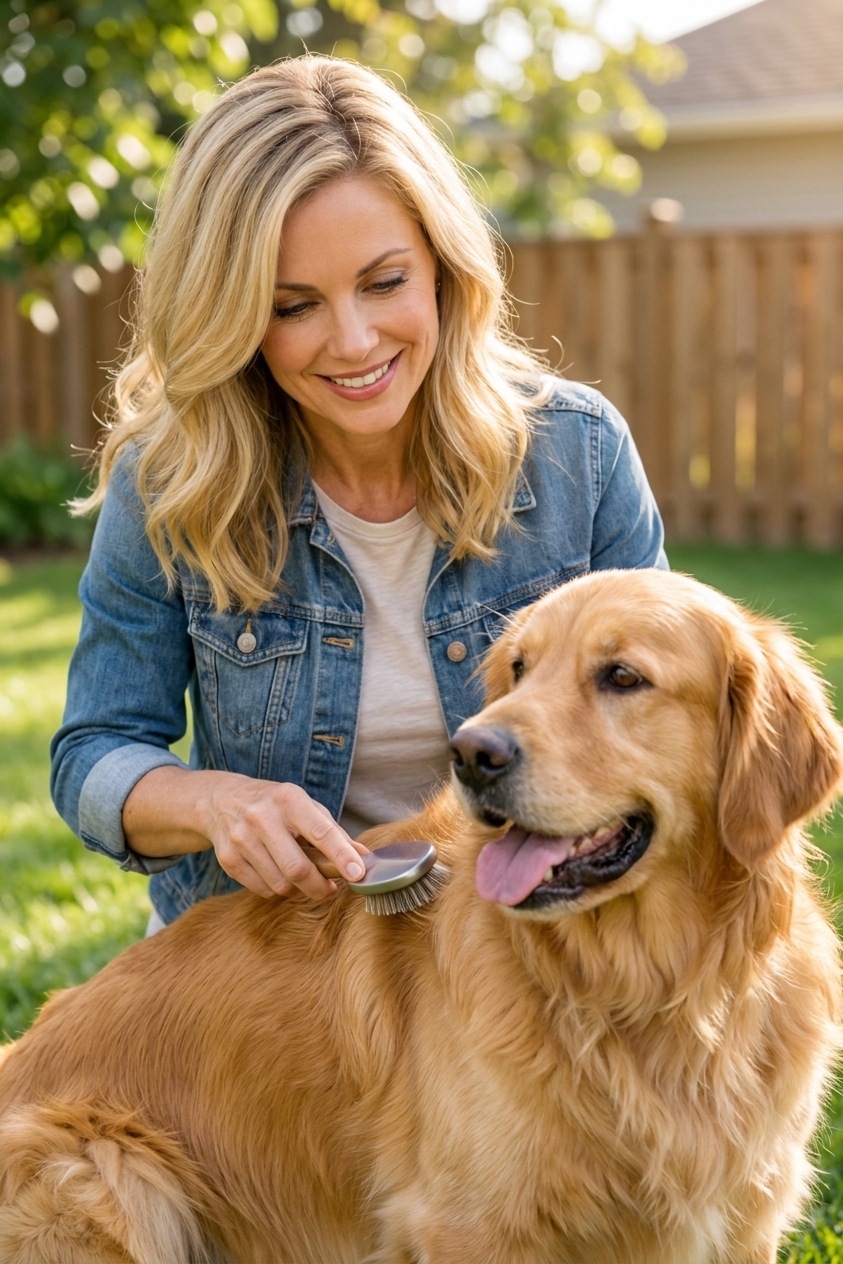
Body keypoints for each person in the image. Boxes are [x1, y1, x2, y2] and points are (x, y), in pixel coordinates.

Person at [51, 55, 667, 931]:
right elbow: (91, 755)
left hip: (509, 943)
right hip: (265, 964)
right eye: (292, 305)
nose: (353, 341)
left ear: (444, 268)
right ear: (230, 316)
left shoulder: (580, 452)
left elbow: (670, 727)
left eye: (384, 283)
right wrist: (214, 802)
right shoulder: (168, 484)